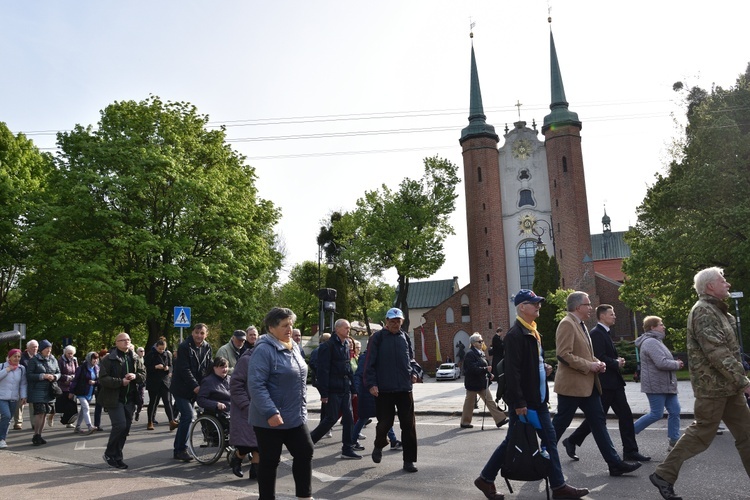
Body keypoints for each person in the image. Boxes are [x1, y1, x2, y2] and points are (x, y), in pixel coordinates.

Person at [475, 289, 589, 500]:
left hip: (537, 398)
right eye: (533, 303)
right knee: (550, 439)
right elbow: (513, 372)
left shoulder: (533, 332)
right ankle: (559, 486)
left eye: (538, 302)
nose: (538, 306)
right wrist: (519, 402)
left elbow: (528, 366)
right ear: (521, 307)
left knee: (513, 440)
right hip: (528, 402)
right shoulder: (515, 335)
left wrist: (542, 368)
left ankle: (485, 479)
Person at [650, 267, 750, 500]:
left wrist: (738, 381)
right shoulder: (704, 312)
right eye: (722, 280)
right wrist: (743, 381)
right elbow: (717, 352)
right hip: (713, 388)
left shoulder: (717, 311)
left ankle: (664, 474)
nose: (727, 284)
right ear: (710, 287)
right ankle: (663, 474)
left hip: (728, 388)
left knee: (747, 434)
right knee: (701, 434)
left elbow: (728, 351)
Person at [552, 291, 641, 477]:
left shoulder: (582, 324)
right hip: (572, 386)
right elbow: (563, 354)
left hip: (588, 385)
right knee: (561, 423)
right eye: (588, 304)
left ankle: (614, 463)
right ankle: (540, 457)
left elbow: (584, 352)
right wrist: (589, 365)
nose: (591, 307)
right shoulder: (567, 324)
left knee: (599, 423)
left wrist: (597, 363)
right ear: (578, 307)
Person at [563, 305, 650, 462]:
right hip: (605, 384)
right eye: (612, 314)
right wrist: (615, 362)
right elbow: (598, 356)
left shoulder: (604, 333)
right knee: (597, 418)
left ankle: (630, 450)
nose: (615, 316)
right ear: (602, 316)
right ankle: (572, 440)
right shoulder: (597, 333)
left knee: (624, 416)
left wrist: (617, 362)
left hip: (614, 383)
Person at [248, 307, 314, 500]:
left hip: (294, 414)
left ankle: (304, 496)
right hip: (270, 418)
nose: (289, 329)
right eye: (285, 325)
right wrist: (270, 411)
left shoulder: (292, 346)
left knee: (305, 451)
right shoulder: (263, 350)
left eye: (291, 324)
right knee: (270, 461)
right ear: (271, 327)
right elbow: (256, 384)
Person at [363, 307, 419, 473]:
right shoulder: (377, 337)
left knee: (408, 425)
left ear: (401, 322)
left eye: (398, 321)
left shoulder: (404, 336)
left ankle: (409, 461)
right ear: (386, 322)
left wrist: (414, 372)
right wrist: (371, 384)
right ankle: (379, 444)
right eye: (392, 321)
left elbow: (411, 359)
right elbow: (369, 363)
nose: (395, 324)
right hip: (384, 390)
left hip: (404, 389)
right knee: (384, 424)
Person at [310, 318, 360, 459]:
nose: (348, 330)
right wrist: (324, 392)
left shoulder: (345, 345)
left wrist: (354, 389)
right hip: (333, 389)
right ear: (337, 329)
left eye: (349, 328)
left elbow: (348, 367)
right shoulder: (328, 346)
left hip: (345, 388)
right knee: (331, 418)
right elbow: (323, 371)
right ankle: (307, 442)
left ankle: (347, 448)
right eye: (346, 328)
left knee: (349, 418)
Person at [633, 316, 683, 450]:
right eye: (661, 325)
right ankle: (630, 434)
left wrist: (675, 364)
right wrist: (676, 364)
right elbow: (661, 363)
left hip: (667, 384)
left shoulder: (657, 341)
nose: (664, 327)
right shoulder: (650, 342)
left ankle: (674, 441)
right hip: (655, 385)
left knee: (675, 410)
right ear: (652, 327)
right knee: (656, 414)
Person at [99, 332, 146, 469]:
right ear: (116, 343)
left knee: (125, 429)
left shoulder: (136, 358)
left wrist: (135, 375)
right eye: (123, 340)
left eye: (128, 340)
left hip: (130, 398)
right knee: (120, 425)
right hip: (114, 398)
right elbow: (103, 378)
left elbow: (143, 375)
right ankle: (109, 453)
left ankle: (117, 457)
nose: (126, 342)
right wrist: (120, 382)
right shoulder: (109, 359)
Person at [170, 322, 212, 462]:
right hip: (181, 388)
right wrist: (195, 385)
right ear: (192, 332)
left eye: (202, 333)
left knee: (186, 419)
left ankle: (178, 449)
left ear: (206, 334)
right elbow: (184, 369)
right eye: (197, 333)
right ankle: (181, 449)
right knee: (188, 415)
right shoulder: (184, 347)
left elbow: (208, 367)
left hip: (196, 388)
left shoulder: (207, 347)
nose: (199, 336)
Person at [352, 349, 400, 452]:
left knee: (383, 417)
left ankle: (393, 440)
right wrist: (356, 390)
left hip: (378, 392)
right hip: (368, 393)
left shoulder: (380, 355)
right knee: (365, 418)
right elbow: (359, 375)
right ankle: (352, 441)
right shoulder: (366, 357)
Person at [460, 332, 507, 429]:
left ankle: (500, 420)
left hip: (481, 382)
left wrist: (489, 374)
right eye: (479, 341)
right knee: (469, 404)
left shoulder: (480, 353)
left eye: (482, 341)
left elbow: (483, 366)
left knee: (490, 401)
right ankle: (465, 422)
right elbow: (472, 369)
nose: (482, 343)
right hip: (472, 383)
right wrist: (485, 370)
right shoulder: (470, 354)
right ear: (473, 343)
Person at [229, 344, 260, 480]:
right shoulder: (246, 360)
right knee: (246, 443)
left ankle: (255, 470)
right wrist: (245, 404)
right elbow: (235, 384)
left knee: (260, 444)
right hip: (245, 409)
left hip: (261, 408)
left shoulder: (267, 360)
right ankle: (237, 457)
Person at [26, 339, 60, 446]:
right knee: (39, 413)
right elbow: (29, 375)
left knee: (45, 413)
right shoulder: (34, 360)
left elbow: (59, 372)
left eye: (50, 348)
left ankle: (40, 435)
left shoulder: (53, 359)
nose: (49, 350)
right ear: (41, 349)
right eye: (47, 348)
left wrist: (54, 377)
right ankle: (36, 435)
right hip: (37, 390)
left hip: (49, 390)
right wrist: (43, 376)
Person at [144, 338, 177, 431]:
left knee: (167, 401)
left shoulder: (167, 354)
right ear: (156, 347)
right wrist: (155, 367)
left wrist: (168, 368)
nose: (161, 351)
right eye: (160, 349)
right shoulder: (151, 354)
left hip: (165, 381)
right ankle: (150, 421)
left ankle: (171, 421)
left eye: (163, 349)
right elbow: (146, 367)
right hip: (154, 381)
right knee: (153, 402)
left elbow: (171, 366)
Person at [0, 349, 27, 449]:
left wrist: (23, 396)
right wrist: (7, 370)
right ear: (9, 357)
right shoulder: (2, 366)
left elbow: (23, 384)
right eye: (15, 356)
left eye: (19, 356)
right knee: (6, 416)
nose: (17, 358)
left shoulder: (21, 369)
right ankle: (1, 439)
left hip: (13, 398)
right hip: (1, 397)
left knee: (7, 420)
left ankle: (2, 438)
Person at [69, 351, 100, 435]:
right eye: (94, 359)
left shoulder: (96, 368)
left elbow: (99, 380)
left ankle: (77, 427)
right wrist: (71, 391)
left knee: (83, 411)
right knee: (86, 408)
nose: (95, 361)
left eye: (97, 359)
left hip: (90, 392)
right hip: (81, 391)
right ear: (89, 359)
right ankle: (90, 426)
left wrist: (94, 382)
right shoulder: (82, 368)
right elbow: (75, 380)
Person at [13, 339, 37, 430]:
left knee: (33, 403)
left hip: (33, 384)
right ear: (28, 348)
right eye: (33, 347)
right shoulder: (21, 357)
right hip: (21, 382)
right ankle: (18, 422)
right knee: (20, 402)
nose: (35, 349)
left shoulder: (38, 357)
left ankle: (34, 423)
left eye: (36, 347)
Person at [57, 344, 79, 428]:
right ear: (65, 353)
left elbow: (77, 371)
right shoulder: (61, 361)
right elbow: (58, 373)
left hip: (71, 386)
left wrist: (73, 377)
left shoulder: (74, 360)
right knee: (64, 406)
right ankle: (61, 418)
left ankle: (69, 422)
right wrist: (66, 377)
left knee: (72, 405)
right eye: (69, 353)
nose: (70, 355)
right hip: (63, 386)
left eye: (72, 353)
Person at [488, 326, 505, 403]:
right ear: (499, 331)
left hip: (499, 355)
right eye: (501, 332)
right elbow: (498, 346)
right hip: (498, 356)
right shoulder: (496, 338)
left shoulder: (498, 338)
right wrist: (502, 344)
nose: (502, 334)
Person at [133, 346, 146, 422]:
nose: (142, 352)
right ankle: (133, 411)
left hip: (142, 382)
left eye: (143, 351)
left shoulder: (144, 360)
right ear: (137, 352)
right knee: (135, 399)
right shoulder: (136, 359)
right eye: (141, 351)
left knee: (141, 400)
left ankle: (138, 412)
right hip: (136, 382)